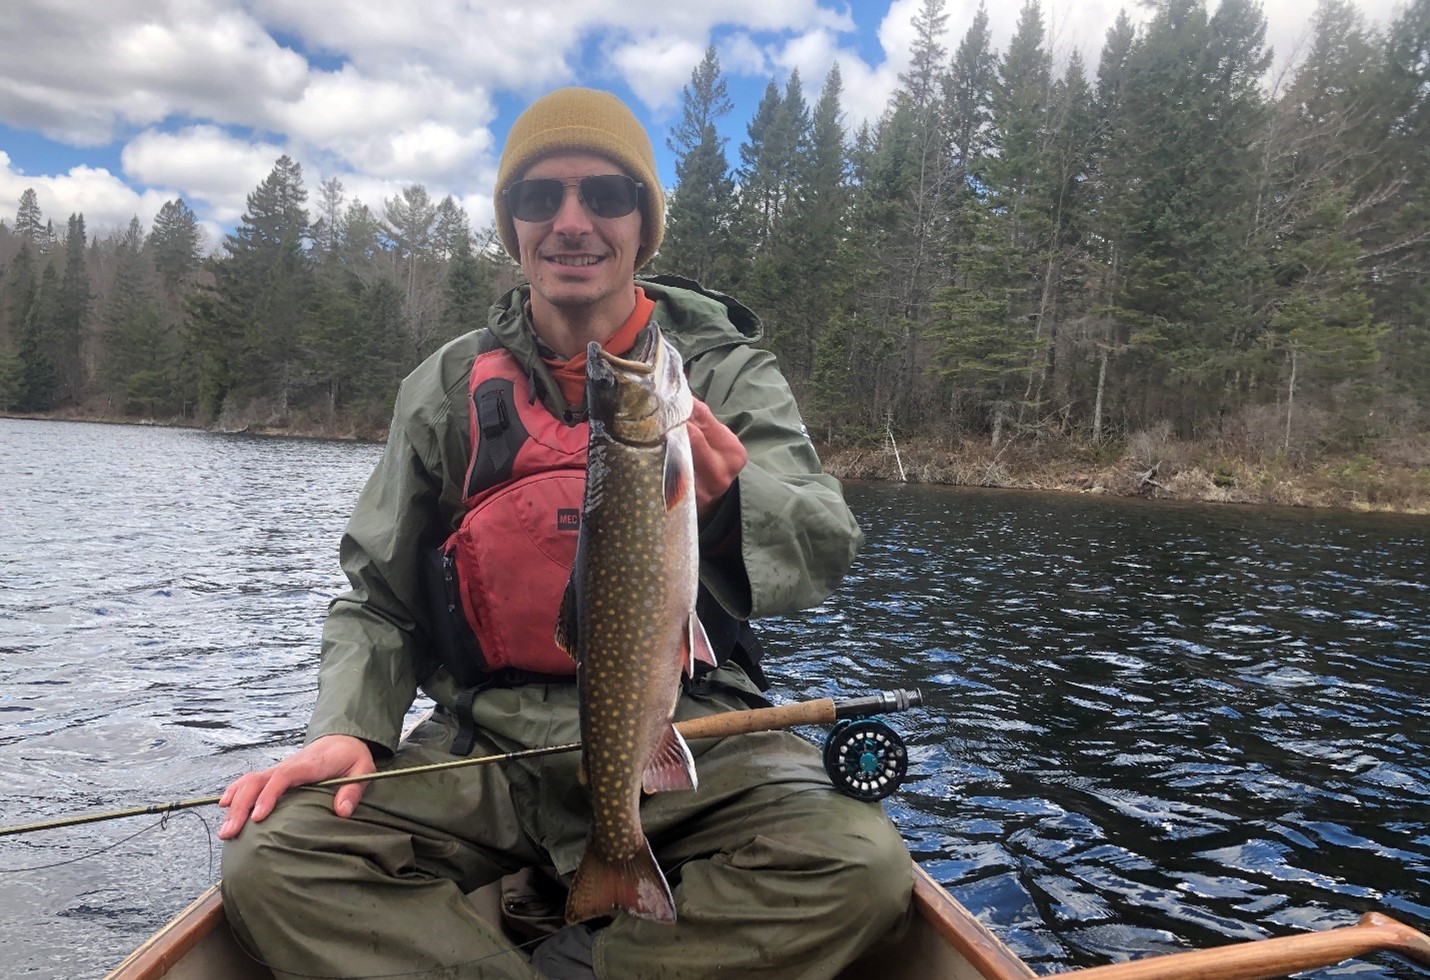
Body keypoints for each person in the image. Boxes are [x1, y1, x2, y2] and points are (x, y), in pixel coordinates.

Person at [218, 86, 911, 980]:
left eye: (605, 195)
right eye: (540, 198)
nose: (571, 222)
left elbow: (825, 543)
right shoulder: (446, 386)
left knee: (858, 867)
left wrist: (733, 505)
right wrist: (351, 723)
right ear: (512, 226)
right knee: (273, 858)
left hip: (691, 727)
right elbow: (377, 597)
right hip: (487, 742)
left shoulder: (723, 370)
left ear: (643, 223)